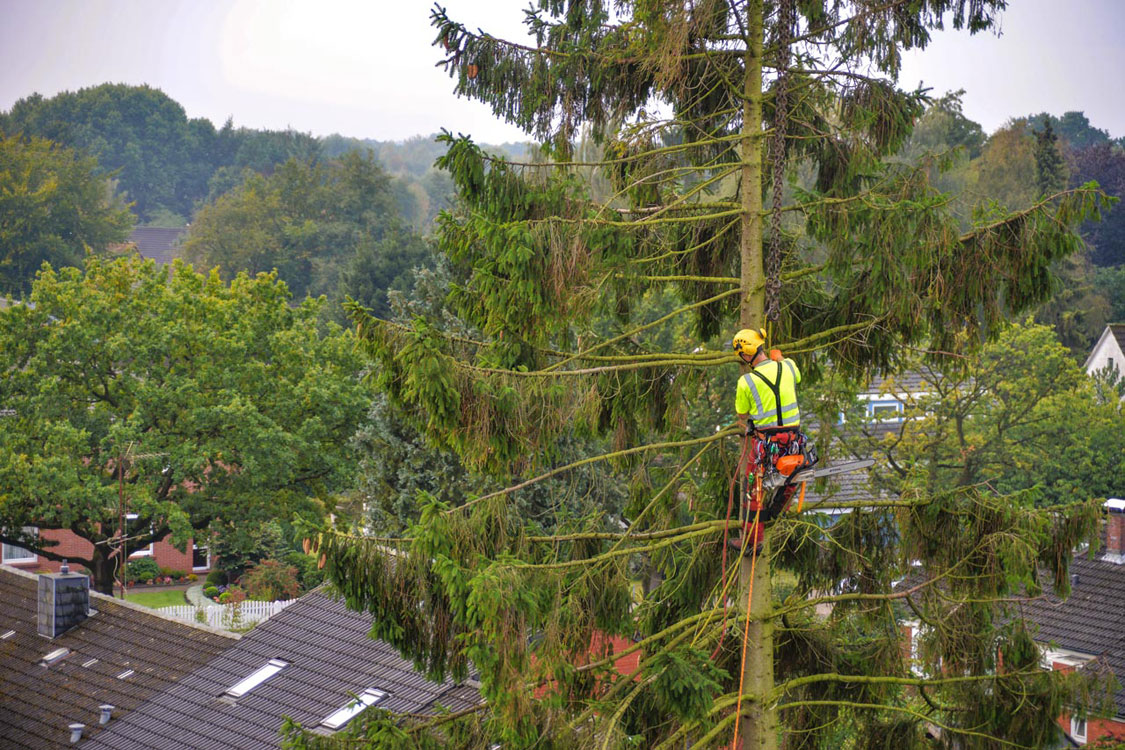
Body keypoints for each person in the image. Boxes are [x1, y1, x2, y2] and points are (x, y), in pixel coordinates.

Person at [730, 327, 808, 551]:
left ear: (746, 355)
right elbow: (797, 376)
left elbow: (742, 414)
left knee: (752, 487)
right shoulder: (788, 366)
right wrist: (780, 358)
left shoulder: (747, 382)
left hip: (766, 444)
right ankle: (776, 511)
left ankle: (753, 542)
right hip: (793, 440)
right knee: (792, 472)